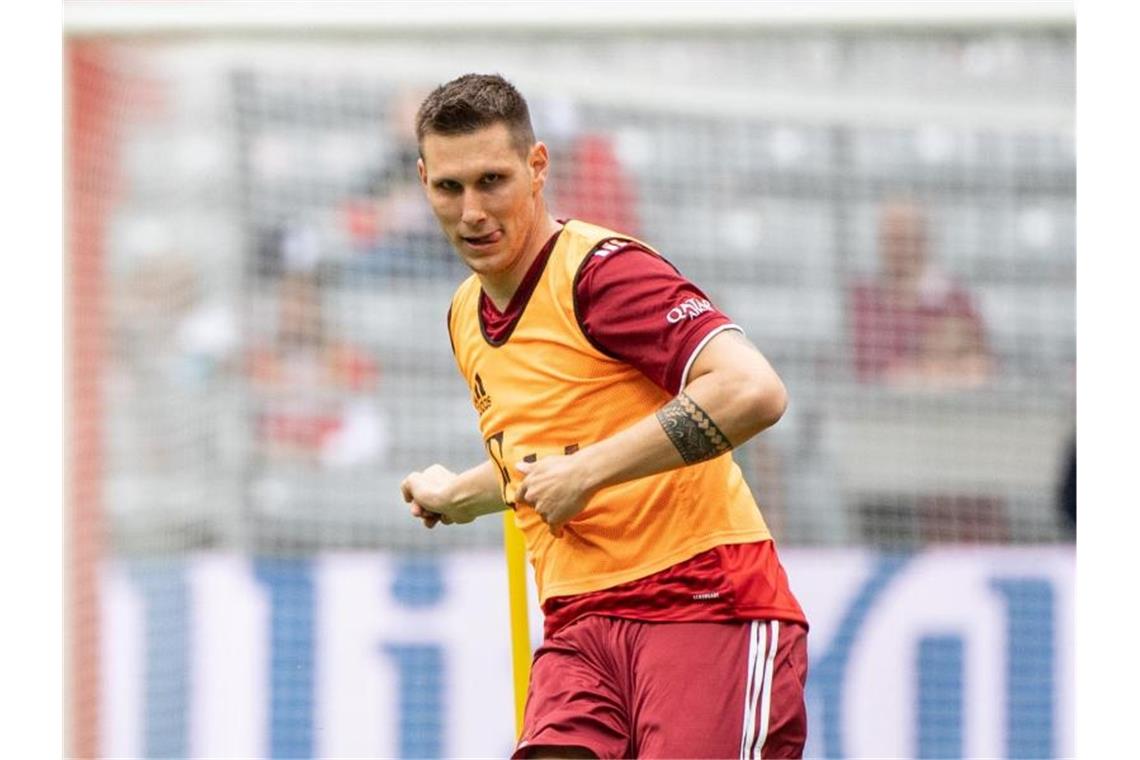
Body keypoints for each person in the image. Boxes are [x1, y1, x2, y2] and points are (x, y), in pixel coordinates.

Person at [399, 74, 807, 759]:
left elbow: (752, 390)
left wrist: (587, 473)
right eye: (449, 187)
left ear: (537, 167)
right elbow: (549, 457)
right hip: (579, 624)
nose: (472, 212)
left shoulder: (602, 275)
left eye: (492, 181)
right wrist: (459, 496)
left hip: (702, 600)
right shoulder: (465, 314)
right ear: (423, 181)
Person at [850, 199, 992, 388]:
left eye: (903, 238)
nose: (896, 249)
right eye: (889, 238)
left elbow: (979, 367)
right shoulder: (862, 298)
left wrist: (920, 375)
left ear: (924, 240)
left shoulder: (954, 300)